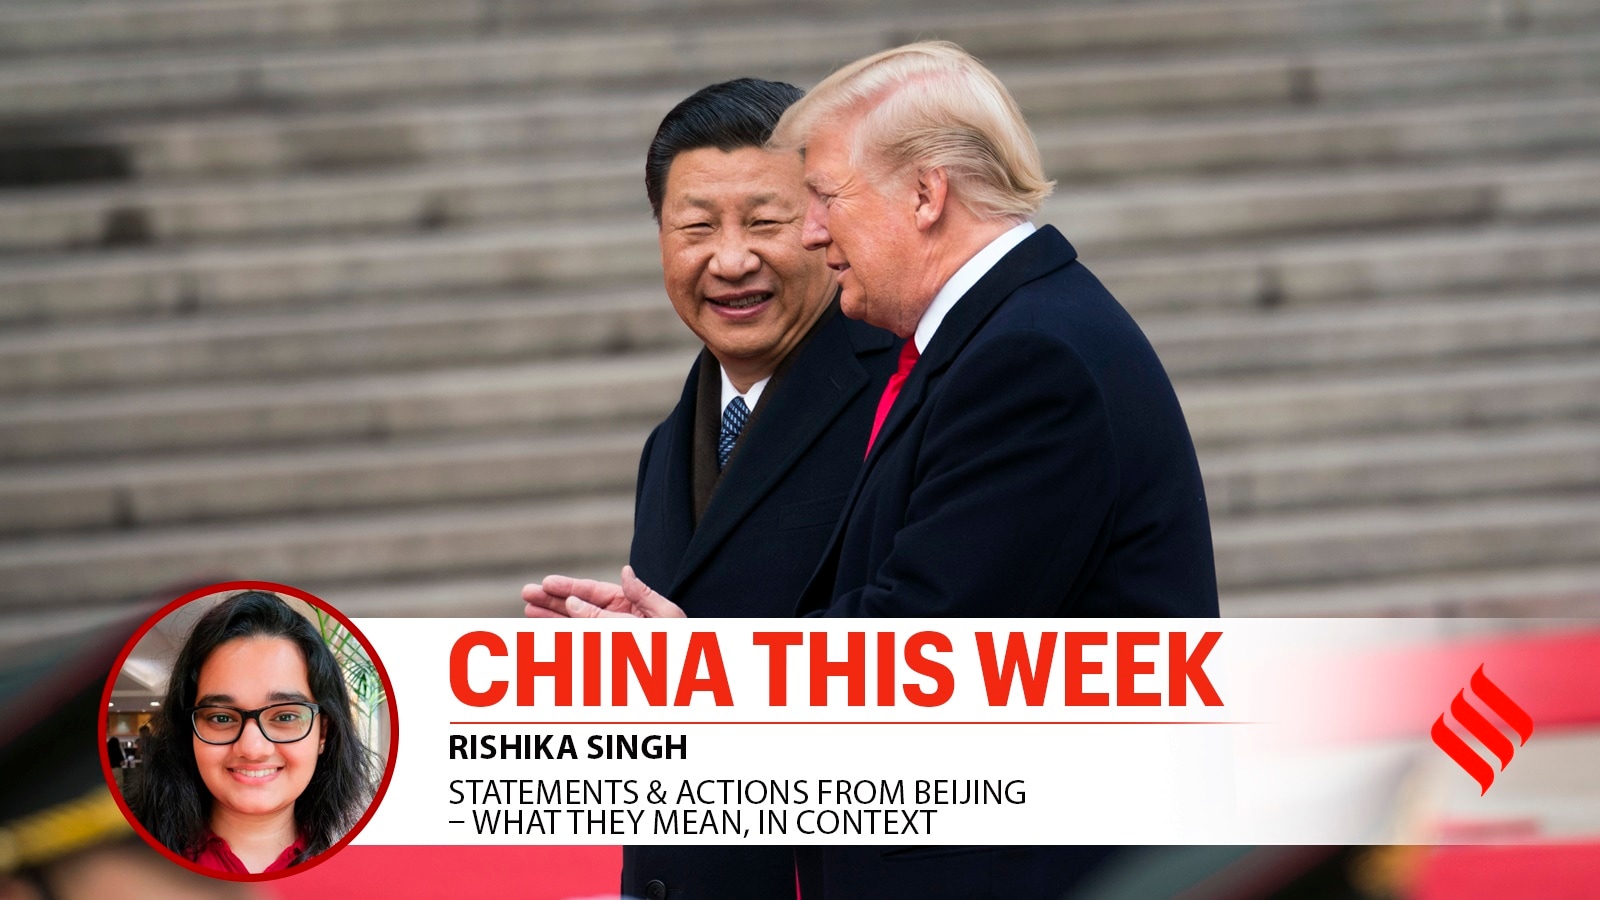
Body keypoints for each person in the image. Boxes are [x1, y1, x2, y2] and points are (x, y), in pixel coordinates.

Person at [526, 41, 1217, 899]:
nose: (815, 233)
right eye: (696, 226)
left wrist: (692, 662)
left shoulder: (1027, 356)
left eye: (819, 202)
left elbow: (924, 653)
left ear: (926, 194)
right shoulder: (988, 344)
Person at [528, 78, 900, 899]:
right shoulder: (671, 442)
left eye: (765, 222)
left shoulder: (906, 400)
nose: (730, 261)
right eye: (696, 227)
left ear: (825, 221)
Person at [125, 591, 373, 875]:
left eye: (285, 716)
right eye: (220, 717)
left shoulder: (369, 868)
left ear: (322, 733)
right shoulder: (124, 867)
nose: (253, 748)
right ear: (189, 731)